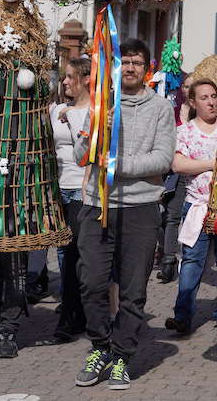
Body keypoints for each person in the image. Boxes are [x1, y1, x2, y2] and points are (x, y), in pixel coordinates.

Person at [72, 38, 175, 390]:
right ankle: (100, 346)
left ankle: (121, 357)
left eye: (136, 62)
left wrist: (120, 166)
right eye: (124, 62)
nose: (129, 67)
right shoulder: (101, 104)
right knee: (91, 282)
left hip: (141, 208)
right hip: (96, 204)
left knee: (133, 291)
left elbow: (163, 159)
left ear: (147, 69)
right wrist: (96, 129)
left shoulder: (161, 108)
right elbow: (80, 155)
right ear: (116, 67)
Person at [164, 79, 217, 335]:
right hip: (196, 206)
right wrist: (213, 163)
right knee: (191, 262)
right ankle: (183, 315)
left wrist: (200, 162)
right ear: (193, 102)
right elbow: (179, 165)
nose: (211, 102)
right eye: (204, 97)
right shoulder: (185, 131)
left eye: (213, 97)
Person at [49, 57, 90, 342]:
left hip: (81, 187)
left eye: (70, 77)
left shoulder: (96, 111)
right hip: (59, 188)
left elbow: (87, 150)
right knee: (64, 252)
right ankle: (73, 307)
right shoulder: (58, 109)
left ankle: (70, 316)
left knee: (76, 251)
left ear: (85, 79)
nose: (64, 82)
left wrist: (74, 119)